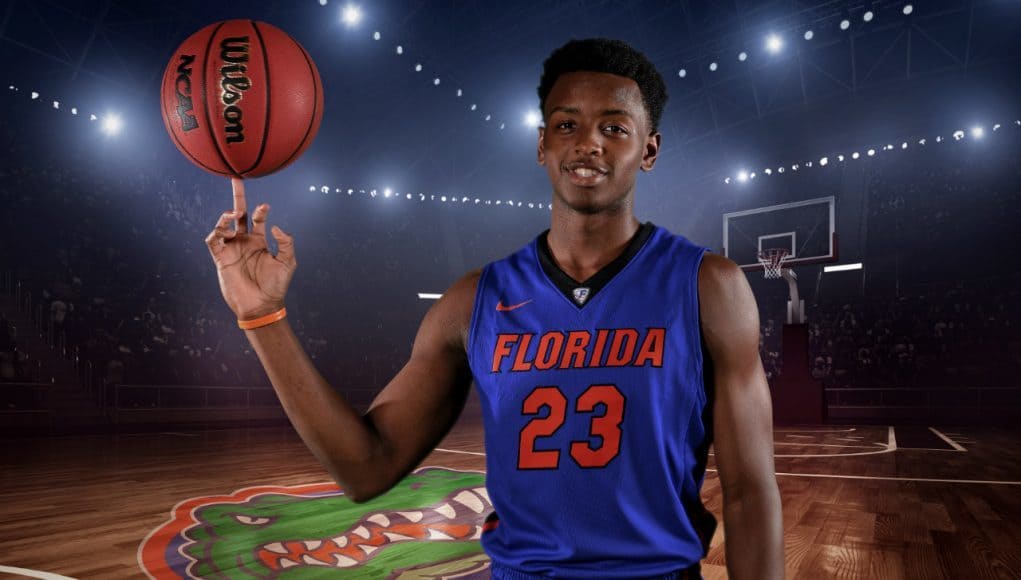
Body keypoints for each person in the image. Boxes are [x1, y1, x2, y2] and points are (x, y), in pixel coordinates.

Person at [206, 38, 783, 579]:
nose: (588, 143)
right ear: (541, 144)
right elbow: (366, 467)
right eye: (566, 125)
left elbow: (750, 492)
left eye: (614, 127)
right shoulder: (473, 301)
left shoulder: (707, 285)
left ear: (649, 149)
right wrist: (263, 318)